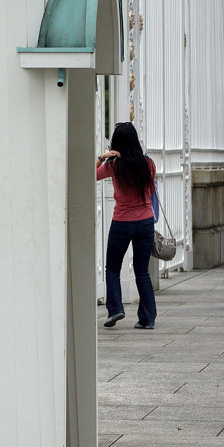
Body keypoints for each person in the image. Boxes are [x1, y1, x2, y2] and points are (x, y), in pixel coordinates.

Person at [96, 122, 156, 329]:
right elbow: (150, 189)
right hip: (146, 221)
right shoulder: (148, 163)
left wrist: (102, 157)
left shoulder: (113, 166)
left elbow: (89, 175)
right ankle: (148, 319)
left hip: (122, 222)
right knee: (142, 271)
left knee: (112, 268)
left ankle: (116, 309)